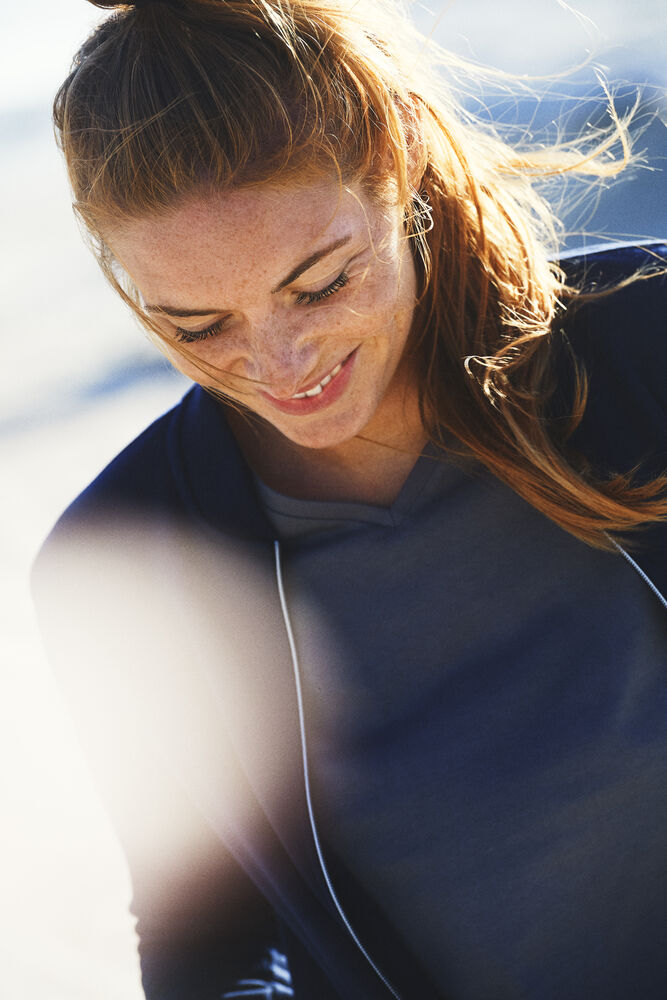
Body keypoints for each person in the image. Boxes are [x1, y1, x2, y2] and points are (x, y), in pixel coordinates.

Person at [33, 1, 667, 998]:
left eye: (319, 284)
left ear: (399, 157)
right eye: (198, 326)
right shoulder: (123, 557)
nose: (280, 367)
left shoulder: (645, 339)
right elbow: (207, 944)